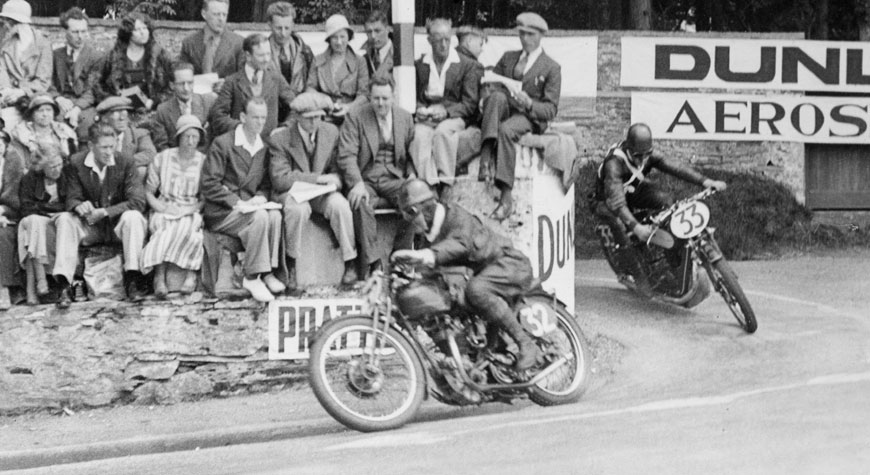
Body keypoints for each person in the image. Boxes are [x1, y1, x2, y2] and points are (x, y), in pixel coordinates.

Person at [391, 179, 540, 370]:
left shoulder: (455, 216)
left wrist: (425, 255)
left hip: (509, 265)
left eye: (410, 212)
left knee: (476, 290)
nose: (408, 219)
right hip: (487, 274)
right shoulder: (428, 238)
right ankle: (466, 360)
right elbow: (430, 274)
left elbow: (460, 245)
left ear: (426, 207)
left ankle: (526, 344)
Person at [593, 123, 726, 285]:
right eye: (638, 156)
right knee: (620, 224)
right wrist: (636, 226)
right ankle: (640, 277)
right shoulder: (613, 164)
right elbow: (617, 202)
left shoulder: (646, 153)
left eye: (646, 155)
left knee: (667, 202)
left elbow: (675, 167)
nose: (642, 160)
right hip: (604, 200)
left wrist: (705, 181)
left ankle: (672, 258)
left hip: (630, 191)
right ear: (628, 149)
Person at [53, 123, 148, 307]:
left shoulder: (125, 161)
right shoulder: (76, 162)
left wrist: (105, 212)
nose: (109, 152)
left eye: (112, 146)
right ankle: (64, 284)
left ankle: (132, 278)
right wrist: (79, 206)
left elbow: (138, 201)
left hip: (116, 226)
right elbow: (71, 198)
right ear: (90, 146)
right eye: (104, 147)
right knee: (65, 219)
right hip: (91, 227)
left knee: (134, 217)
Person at [201, 97, 285, 303]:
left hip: (248, 207)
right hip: (222, 211)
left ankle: (267, 272)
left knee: (274, 215)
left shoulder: (263, 146)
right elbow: (209, 183)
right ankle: (251, 277)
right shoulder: (223, 143)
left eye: (263, 118)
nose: (260, 122)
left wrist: (260, 196)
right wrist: (236, 202)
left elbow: (265, 184)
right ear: (242, 117)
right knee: (260, 217)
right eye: (255, 117)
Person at [269, 92, 357, 289]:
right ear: (297, 117)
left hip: (320, 193)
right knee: (297, 211)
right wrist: (318, 179)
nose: (314, 123)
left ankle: (350, 261)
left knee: (340, 205)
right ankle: (290, 264)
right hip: (292, 193)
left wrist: (334, 181)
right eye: (309, 119)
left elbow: (337, 168)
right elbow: (280, 179)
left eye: (318, 117)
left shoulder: (331, 131)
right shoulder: (280, 138)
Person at [479, 12, 561, 220]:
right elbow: (492, 83)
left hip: (528, 117)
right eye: (522, 34)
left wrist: (529, 103)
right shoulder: (508, 57)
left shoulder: (551, 67)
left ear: (541, 36)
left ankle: (506, 196)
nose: (525, 39)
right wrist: (486, 93)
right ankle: (486, 157)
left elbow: (550, 110)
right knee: (496, 96)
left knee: (506, 130)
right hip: (504, 107)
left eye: (530, 35)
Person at [337, 75, 415, 276]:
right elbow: (347, 155)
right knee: (360, 202)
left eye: (385, 98)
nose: (381, 103)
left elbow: (412, 152)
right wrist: (357, 183)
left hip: (393, 178)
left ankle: (401, 257)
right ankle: (373, 264)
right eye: (376, 98)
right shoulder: (356, 116)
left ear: (393, 96)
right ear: (370, 97)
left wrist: (413, 176)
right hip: (366, 179)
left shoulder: (405, 118)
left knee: (416, 199)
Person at [410, 18, 482, 197]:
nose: (443, 44)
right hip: (427, 117)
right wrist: (420, 109)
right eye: (438, 39)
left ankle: (445, 183)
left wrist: (447, 112)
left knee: (443, 133)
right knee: (419, 135)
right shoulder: (420, 65)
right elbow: (414, 96)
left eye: (447, 39)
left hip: (453, 116)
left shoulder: (467, 65)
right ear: (429, 40)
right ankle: (429, 186)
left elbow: (470, 103)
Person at [141, 115, 207, 298]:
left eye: (195, 137)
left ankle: (190, 274)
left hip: (190, 208)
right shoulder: (162, 158)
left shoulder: (204, 162)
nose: (191, 141)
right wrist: (161, 208)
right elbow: (148, 192)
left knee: (191, 228)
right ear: (178, 137)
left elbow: (204, 198)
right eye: (186, 136)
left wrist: (190, 209)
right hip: (165, 206)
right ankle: (159, 276)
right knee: (163, 226)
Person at [210, 33, 296, 139]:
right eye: (261, 55)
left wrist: (285, 128)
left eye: (268, 54)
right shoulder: (232, 82)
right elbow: (218, 117)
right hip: (241, 147)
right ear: (248, 56)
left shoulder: (276, 78)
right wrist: (243, 128)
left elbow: (296, 107)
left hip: (270, 147)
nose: (266, 59)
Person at [95, 11, 174, 111]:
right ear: (128, 33)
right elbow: (96, 82)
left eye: (145, 28)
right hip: (120, 109)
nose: (143, 32)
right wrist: (113, 98)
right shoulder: (114, 56)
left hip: (152, 111)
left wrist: (155, 102)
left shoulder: (160, 54)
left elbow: (175, 83)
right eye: (137, 29)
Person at [18, 142, 66, 305]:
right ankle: (41, 279)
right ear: (41, 168)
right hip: (36, 220)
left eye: (59, 164)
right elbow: (25, 207)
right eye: (52, 167)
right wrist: (49, 209)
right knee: (33, 222)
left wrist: (44, 208)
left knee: (31, 231)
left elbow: (70, 201)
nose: (57, 169)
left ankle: (32, 289)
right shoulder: (30, 178)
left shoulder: (67, 174)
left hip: (58, 220)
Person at [49, 7, 102, 140]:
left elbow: (93, 89)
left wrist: (77, 108)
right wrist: (59, 98)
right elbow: (48, 82)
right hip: (61, 102)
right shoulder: (55, 55)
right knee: (52, 124)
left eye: (84, 31)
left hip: (85, 105)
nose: (80, 37)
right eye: (75, 32)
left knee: (86, 127)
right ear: (65, 32)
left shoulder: (96, 57)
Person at [305, 14, 369, 124]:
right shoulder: (318, 60)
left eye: (342, 36)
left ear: (348, 36)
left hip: (352, 118)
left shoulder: (360, 62)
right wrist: (325, 101)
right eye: (334, 37)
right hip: (324, 117)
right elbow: (310, 89)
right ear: (329, 39)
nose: (339, 42)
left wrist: (349, 107)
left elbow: (364, 94)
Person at [179, 0, 245, 91]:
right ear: (204, 14)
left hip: (226, 99)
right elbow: (182, 74)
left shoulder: (238, 43)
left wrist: (228, 84)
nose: (221, 19)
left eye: (224, 15)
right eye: (216, 14)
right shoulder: (189, 43)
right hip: (196, 98)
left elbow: (244, 76)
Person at [0, 0, 51, 112]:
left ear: (20, 22)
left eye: (8, 22)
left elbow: (43, 81)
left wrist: (21, 92)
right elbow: (1, 70)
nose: (5, 26)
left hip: (33, 95)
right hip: (8, 93)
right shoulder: (6, 43)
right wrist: (6, 90)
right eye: (4, 21)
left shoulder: (42, 43)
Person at [152, 62, 214, 152]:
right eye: (181, 84)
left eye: (190, 83)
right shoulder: (163, 110)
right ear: (172, 85)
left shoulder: (208, 102)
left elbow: (216, 138)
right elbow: (162, 146)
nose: (186, 88)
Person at [9, 94, 77, 170]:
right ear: (32, 114)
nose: (45, 114)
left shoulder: (64, 132)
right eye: (40, 110)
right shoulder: (22, 136)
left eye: (49, 110)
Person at [95, 96, 157, 178]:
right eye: (116, 113)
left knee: (142, 170)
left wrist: (119, 162)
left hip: (129, 181)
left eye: (124, 113)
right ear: (104, 118)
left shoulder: (139, 134)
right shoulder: (97, 137)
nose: (122, 118)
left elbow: (150, 153)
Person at [266, 1, 313, 98]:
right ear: (269, 25)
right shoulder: (261, 52)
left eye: (287, 28)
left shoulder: (306, 52)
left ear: (293, 25)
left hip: (298, 106)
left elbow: (312, 84)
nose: (283, 33)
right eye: (278, 28)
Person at [0, 130, 24, 310]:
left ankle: (5, 288)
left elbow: (14, 200)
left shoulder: (13, 162)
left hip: (6, 214)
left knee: (4, 234)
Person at [362, 10, 392, 79]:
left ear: (387, 29)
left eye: (377, 31)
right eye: (369, 32)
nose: (373, 36)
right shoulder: (364, 60)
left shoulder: (399, 57)